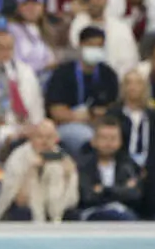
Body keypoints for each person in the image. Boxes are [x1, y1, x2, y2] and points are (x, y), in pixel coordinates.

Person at [45, 26, 121, 154]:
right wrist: (83, 116)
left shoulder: (108, 74)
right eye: (91, 45)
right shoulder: (62, 73)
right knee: (87, 137)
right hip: (67, 125)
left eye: (99, 46)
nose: (95, 49)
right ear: (80, 45)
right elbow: (56, 112)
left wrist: (95, 115)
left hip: (100, 125)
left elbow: (112, 109)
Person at [0, 120, 79, 222]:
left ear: (56, 139)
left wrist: (67, 177)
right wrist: (31, 172)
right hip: (23, 210)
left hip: (53, 210)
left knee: (72, 215)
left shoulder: (62, 158)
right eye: (40, 137)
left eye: (49, 137)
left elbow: (72, 201)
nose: (44, 142)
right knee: (23, 213)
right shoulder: (18, 157)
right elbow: (20, 200)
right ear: (31, 138)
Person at [76, 116, 143, 221]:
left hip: (124, 212)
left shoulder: (129, 165)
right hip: (92, 212)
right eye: (104, 138)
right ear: (93, 141)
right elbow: (87, 197)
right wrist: (121, 189)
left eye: (113, 138)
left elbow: (135, 195)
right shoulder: (82, 165)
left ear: (121, 141)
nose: (108, 143)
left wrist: (104, 190)